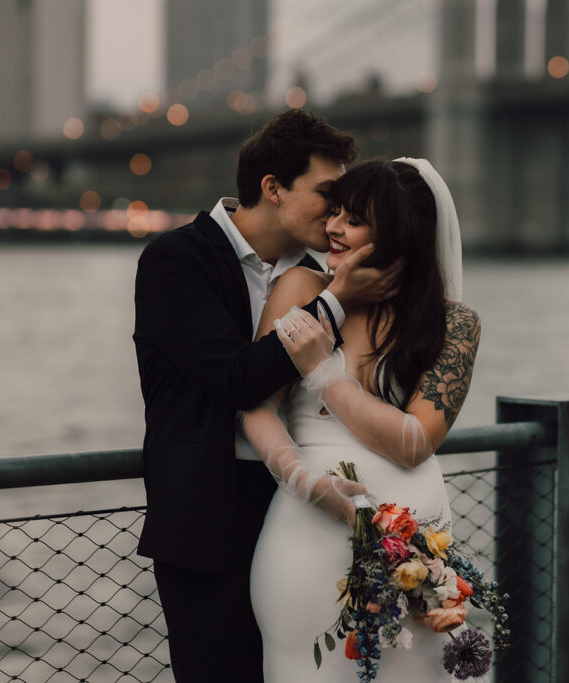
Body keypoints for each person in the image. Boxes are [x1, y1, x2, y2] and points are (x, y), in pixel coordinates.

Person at [133, 109, 397, 682]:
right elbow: (235, 378)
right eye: (328, 194)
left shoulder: (320, 273)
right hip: (208, 522)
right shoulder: (174, 260)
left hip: (308, 516)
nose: (337, 213)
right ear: (272, 188)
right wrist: (334, 303)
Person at [240, 158, 480, 681]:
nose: (333, 227)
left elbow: (415, 441)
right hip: (306, 534)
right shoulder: (301, 289)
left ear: (401, 232)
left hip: (418, 546)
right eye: (336, 212)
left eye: (354, 219)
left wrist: (324, 373)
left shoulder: (455, 324)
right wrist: (303, 480)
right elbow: (255, 405)